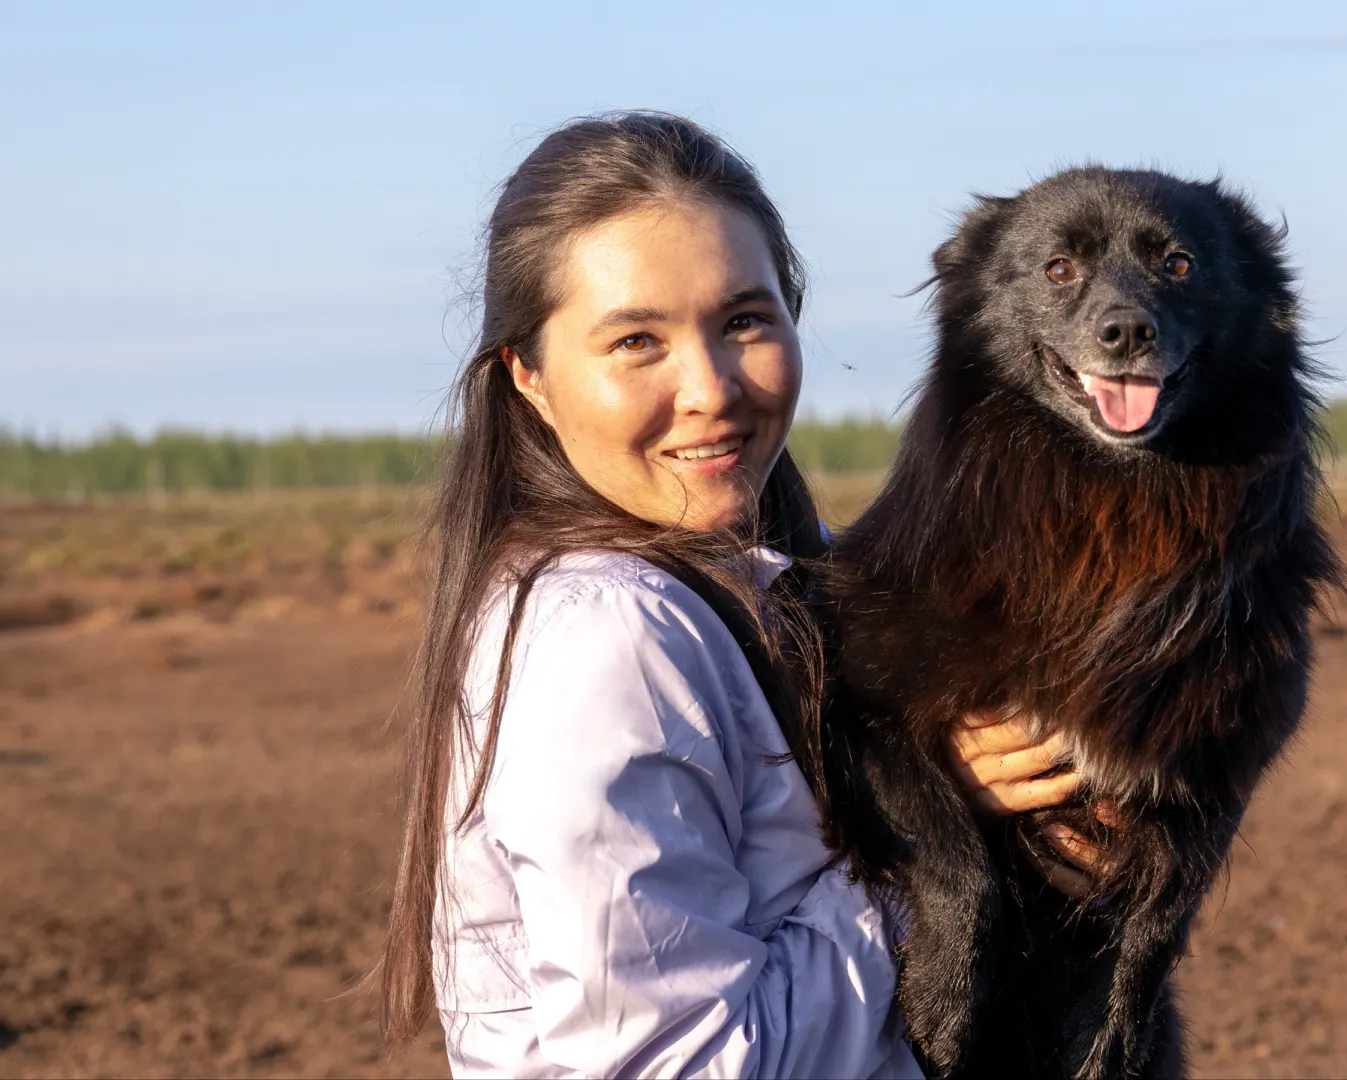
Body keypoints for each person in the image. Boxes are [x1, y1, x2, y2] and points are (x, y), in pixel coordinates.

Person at [375, 112, 1103, 1077]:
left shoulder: (768, 580)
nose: (711, 387)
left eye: (745, 321)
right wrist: (934, 837)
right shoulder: (609, 637)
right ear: (530, 378)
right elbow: (672, 1063)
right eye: (637, 340)